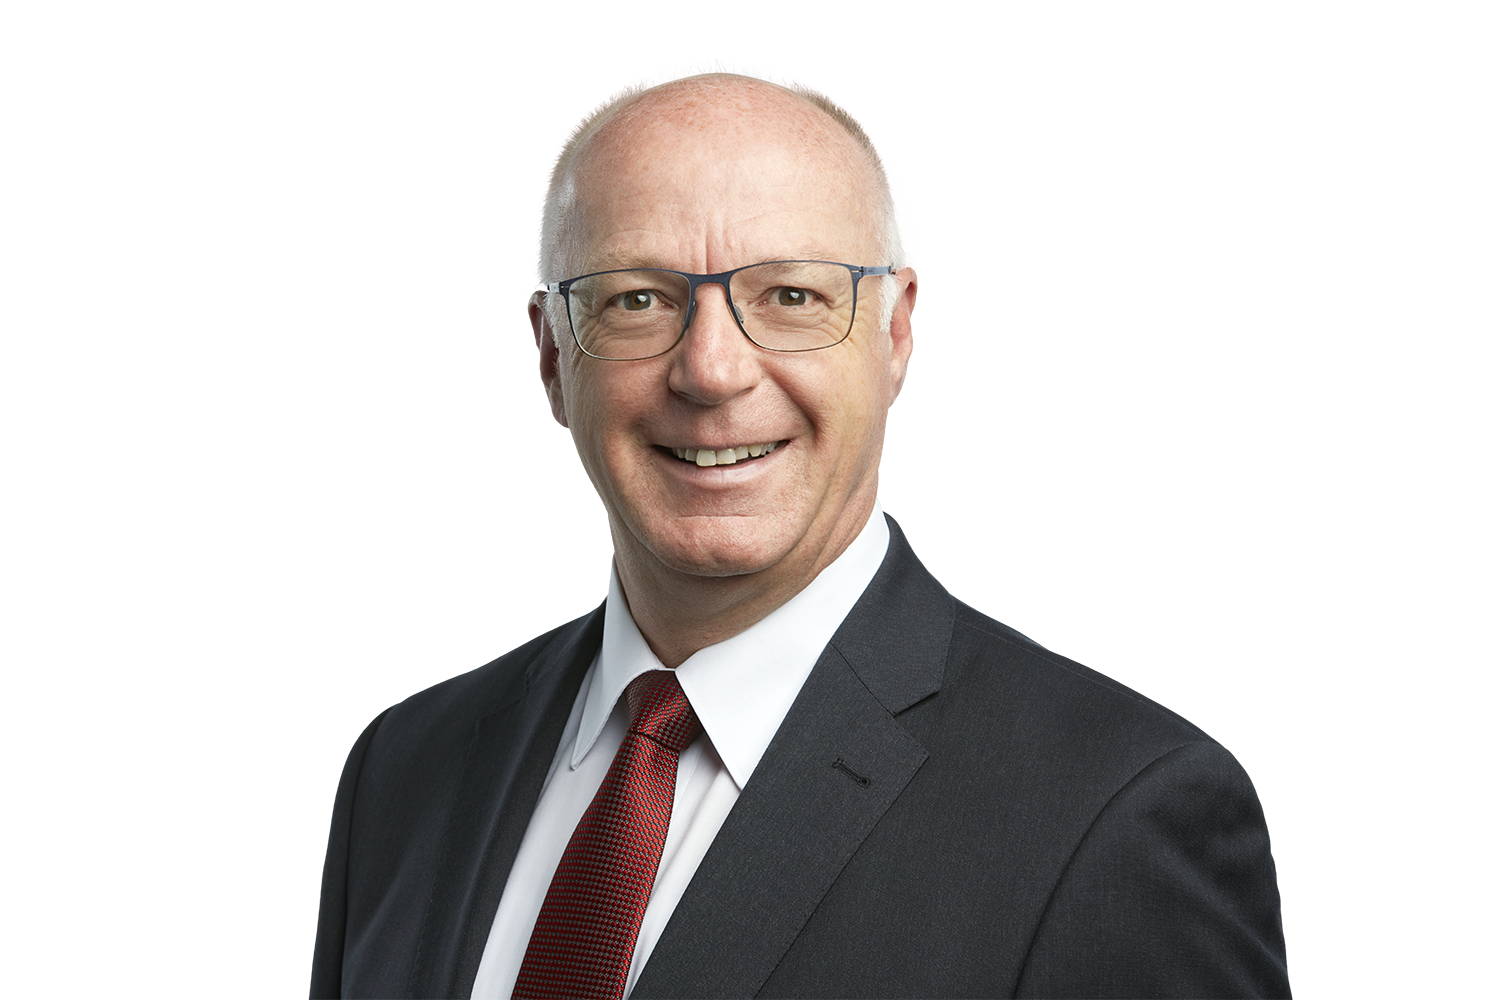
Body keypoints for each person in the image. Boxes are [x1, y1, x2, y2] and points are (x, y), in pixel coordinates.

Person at [311, 70, 1290, 1000]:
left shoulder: (1116, 815)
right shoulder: (403, 769)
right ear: (548, 355)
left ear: (897, 334)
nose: (712, 370)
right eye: (637, 299)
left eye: (791, 296)